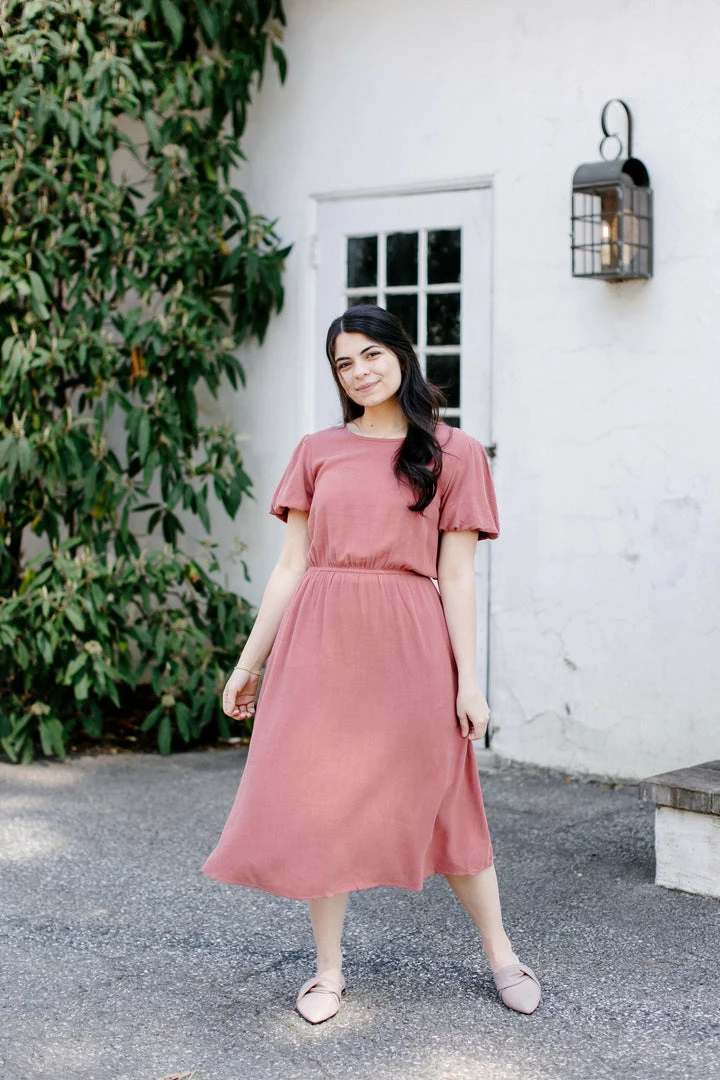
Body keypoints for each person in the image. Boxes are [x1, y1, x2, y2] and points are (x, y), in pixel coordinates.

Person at [202, 304, 541, 1023]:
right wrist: (248, 665)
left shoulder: (456, 452)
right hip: (318, 647)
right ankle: (328, 972)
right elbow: (290, 566)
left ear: (402, 353)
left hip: (411, 646)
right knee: (322, 807)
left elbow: (457, 575)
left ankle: (503, 955)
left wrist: (470, 682)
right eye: (343, 363)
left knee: (448, 804)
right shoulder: (317, 450)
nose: (358, 372)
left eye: (370, 355)